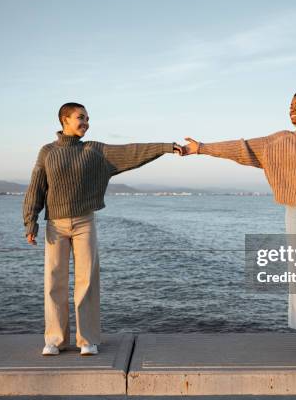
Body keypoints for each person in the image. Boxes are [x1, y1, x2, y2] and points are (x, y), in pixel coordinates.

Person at [180, 89, 296, 360]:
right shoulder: (279, 140)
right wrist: (201, 148)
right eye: (290, 105)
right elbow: (243, 148)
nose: (292, 109)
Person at [23, 102, 182, 356]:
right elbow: (36, 188)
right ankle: (55, 339)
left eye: (87, 118)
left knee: (87, 282)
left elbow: (131, 152)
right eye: (80, 118)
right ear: (65, 119)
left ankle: (87, 339)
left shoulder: (94, 150)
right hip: (55, 225)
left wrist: (164, 147)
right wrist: (30, 221)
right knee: (55, 283)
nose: (86, 122)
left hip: (84, 223)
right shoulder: (48, 152)